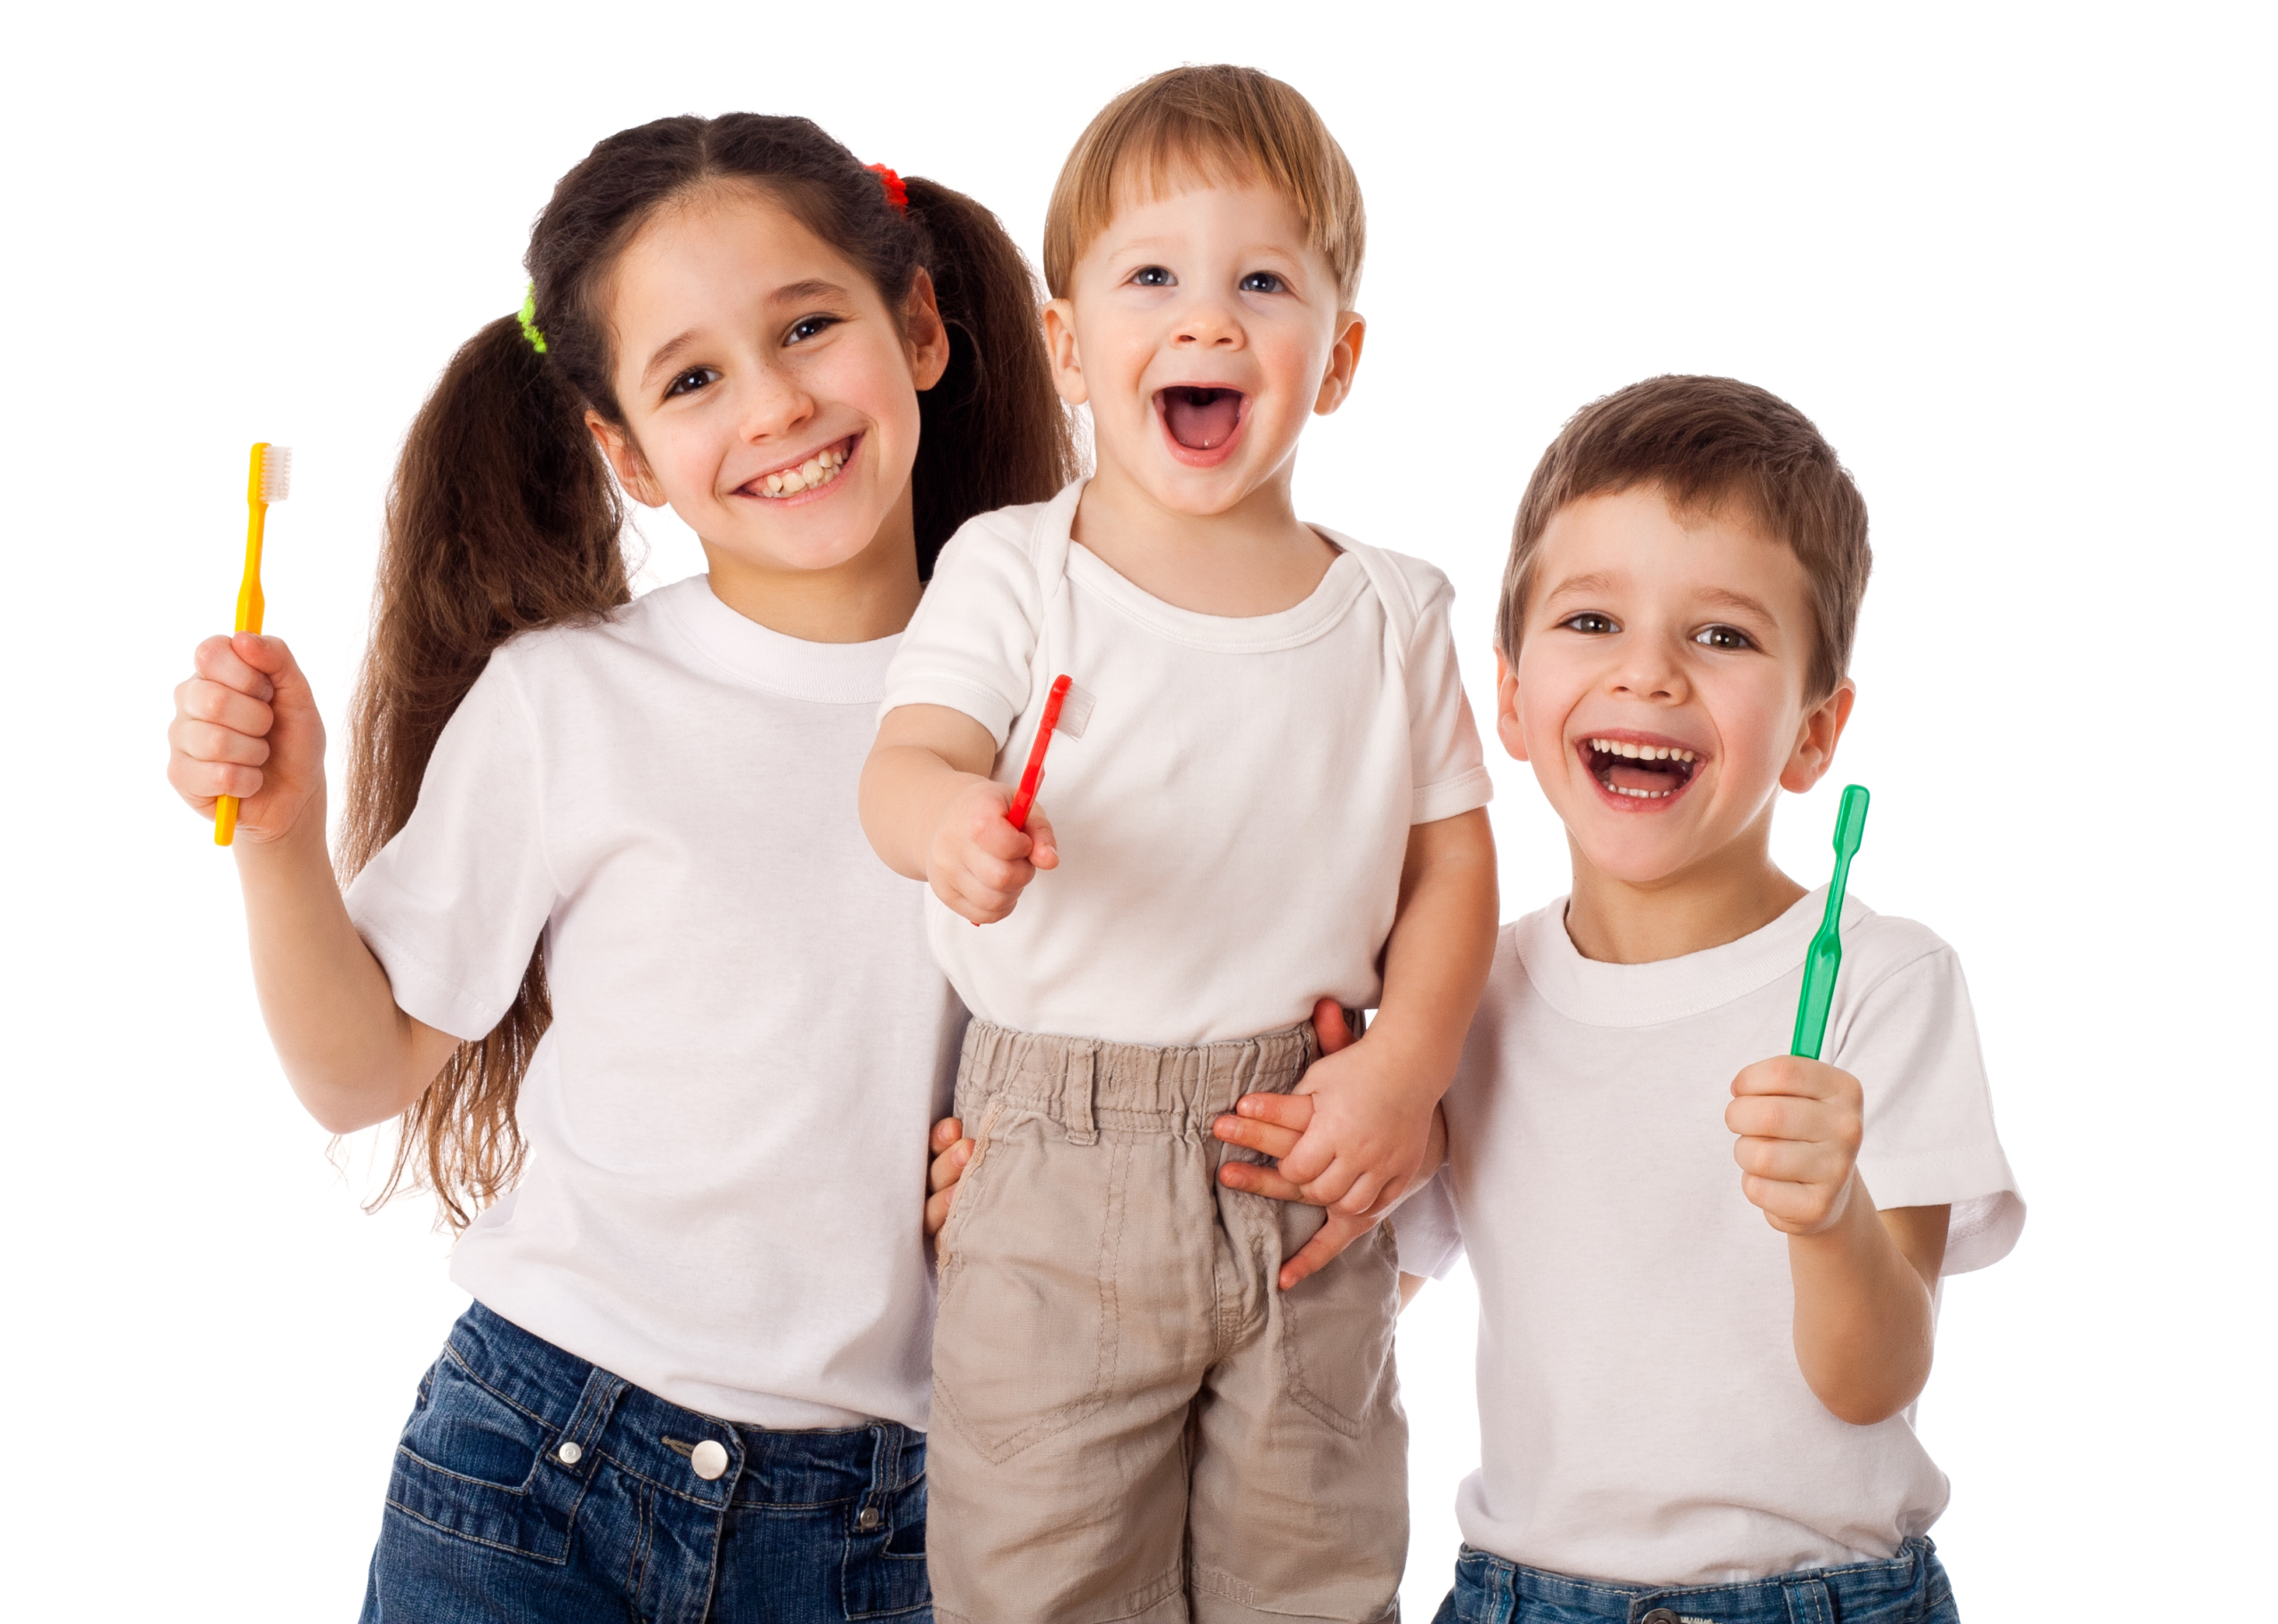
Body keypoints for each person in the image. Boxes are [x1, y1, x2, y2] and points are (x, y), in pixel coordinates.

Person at [164, 112, 1075, 1621]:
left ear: (919, 323)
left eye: (807, 325)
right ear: (626, 453)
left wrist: (1042, 1162)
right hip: (535, 1477)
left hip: (887, 1523)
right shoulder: (568, 702)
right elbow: (364, 1066)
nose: (775, 403)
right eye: (695, 377)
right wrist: (278, 835)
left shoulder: (1059, 701)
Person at [860, 65, 1498, 1624]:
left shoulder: (1395, 607)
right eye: (1154, 278)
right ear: (1072, 348)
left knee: (1319, 1566)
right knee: (1043, 1573)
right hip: (1053, 1168)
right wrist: (953, 824)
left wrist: (1408, 1061)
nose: (1208, 321)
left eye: (1262, 284)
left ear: (1337, 357)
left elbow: (1455, 868)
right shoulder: (1015, 571)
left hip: (1303, 1144)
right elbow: (908, 760)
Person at [1390, 376, 2024, 1622]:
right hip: (1521, 1599)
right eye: (1591, 621)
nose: (1652, 674)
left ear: (1814, 731)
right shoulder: (1465, 991)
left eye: (1723, 636)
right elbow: (1346, 1304)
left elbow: (1877, 1377)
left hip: (1827, 1598)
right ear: (1508, 697)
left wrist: (1831, 1214)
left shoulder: (1885, 984)